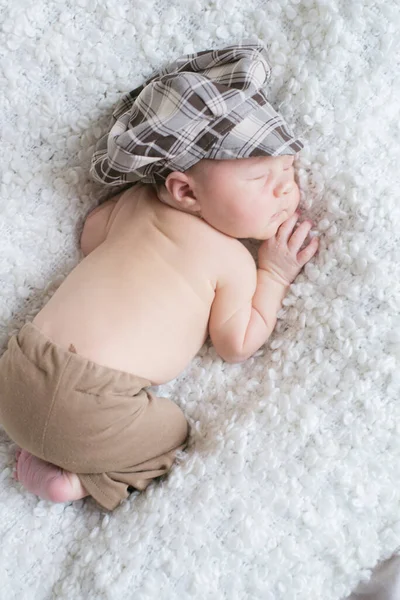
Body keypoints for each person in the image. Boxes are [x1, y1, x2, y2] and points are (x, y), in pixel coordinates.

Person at [0, 40, 319, 510]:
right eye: (259, 180)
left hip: (19, 369)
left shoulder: (133, 205)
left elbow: (91, 239)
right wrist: (273, 272)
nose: (286, 190)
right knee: (174, 433)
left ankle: (38, 436)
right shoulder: (231, 260)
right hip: (98, 407)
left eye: (288, 171)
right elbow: (236, 345)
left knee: (59, 417)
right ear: (185, 191)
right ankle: (78, 482)